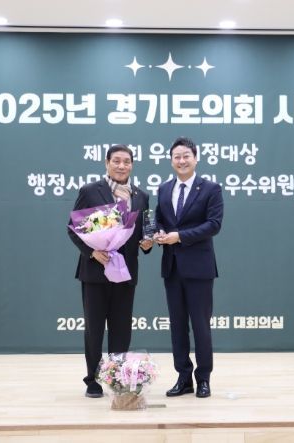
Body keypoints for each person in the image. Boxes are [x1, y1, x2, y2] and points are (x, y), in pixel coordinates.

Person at [67, 144, 152, 398]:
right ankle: (92, 380)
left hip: (125, 273)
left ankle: (117, 379)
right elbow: (73, 228)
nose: (121, 166)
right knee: (94, 329)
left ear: (132, 165)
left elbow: (143, 231)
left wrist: (147, 243)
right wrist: (92, 252)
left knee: (122, 330)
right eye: (116, 161)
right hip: (95, 271)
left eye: (126, 161)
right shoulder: (90, 191)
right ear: (107, 163)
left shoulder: (141, 196)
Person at [154, 137, 224, 398]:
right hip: (172, 267)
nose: (181, 161)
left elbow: (214, 224)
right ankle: (183, 377)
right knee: (177, 326)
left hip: (199, 268)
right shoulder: (164, 189)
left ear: (195, 158)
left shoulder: (211, 189)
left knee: (201, 326)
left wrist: (180, 237)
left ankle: (203, 378)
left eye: (186, 156)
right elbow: (159, 219)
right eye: (177, 157)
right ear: (171, 160)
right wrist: (158, 232)